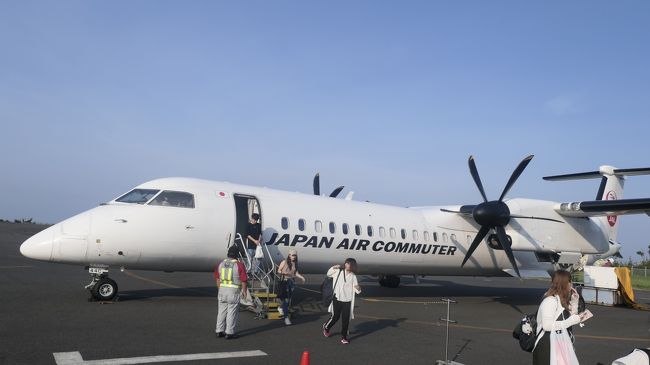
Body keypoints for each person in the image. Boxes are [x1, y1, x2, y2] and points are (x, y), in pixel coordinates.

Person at [533, 270, 591, 364]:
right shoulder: (550, 301)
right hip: (548, 344)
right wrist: (571, 321)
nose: (571, 284)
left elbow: (571, 317)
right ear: (564, 284)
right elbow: (547, 326)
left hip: (559, 341)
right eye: (570, 281)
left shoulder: (561, 300)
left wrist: (574, 301)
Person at [322, 258, 361, 344]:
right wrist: (333, 267)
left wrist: (358, 288)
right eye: (346, 263)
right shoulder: (338, 272)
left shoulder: (353, 276)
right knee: (335, 317)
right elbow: (328, 274)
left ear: (352, 266)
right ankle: (326, 327)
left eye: (349, 264)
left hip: (347, 300)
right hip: (337, 298)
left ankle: (344, 337)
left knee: (346, 319)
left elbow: (357, 289)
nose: (347, 265)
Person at [214, 245, 248, 339]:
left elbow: (217, 278)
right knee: (231, 312)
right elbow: (244, 280)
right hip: (233, 291)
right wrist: (244, 292)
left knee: (221, 311)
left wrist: (219, 289)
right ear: (237, 255)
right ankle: (229, 332)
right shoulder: (239, 265)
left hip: (222, 290)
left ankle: (219, 331)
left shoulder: (220, 264)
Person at [276, 249, 305, 325]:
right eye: (292, 255)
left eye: (295, 255)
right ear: (289, 255)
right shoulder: (284, 262)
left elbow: (296, 273)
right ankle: (286, 318)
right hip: (284, 281)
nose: (294, 257)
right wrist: (283, 272)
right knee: (285, 300)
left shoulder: (295, 263)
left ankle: (280, 307)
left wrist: (301, 277)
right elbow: (278, 270)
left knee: (288, 300)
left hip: (291, 282)